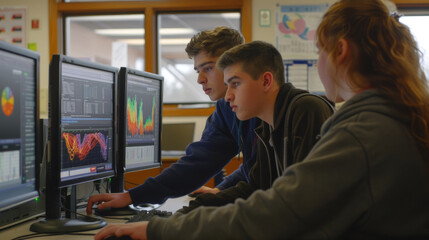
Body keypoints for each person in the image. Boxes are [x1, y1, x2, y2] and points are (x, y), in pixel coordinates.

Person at [94, 0, 429, 239]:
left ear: (340, 51)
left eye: (319, 53)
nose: (225, 91)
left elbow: (284, 212)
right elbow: (260, 185)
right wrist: (209, 200)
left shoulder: (360, 130)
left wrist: (159, 229)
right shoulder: (393, 114)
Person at [87, 26, 261, 213]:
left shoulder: (263, 108)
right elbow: (201, 164)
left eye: (208, 68)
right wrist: (221, 190)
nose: (200, 79)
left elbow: (263, 177)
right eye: (197, 71)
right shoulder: (226, 109)